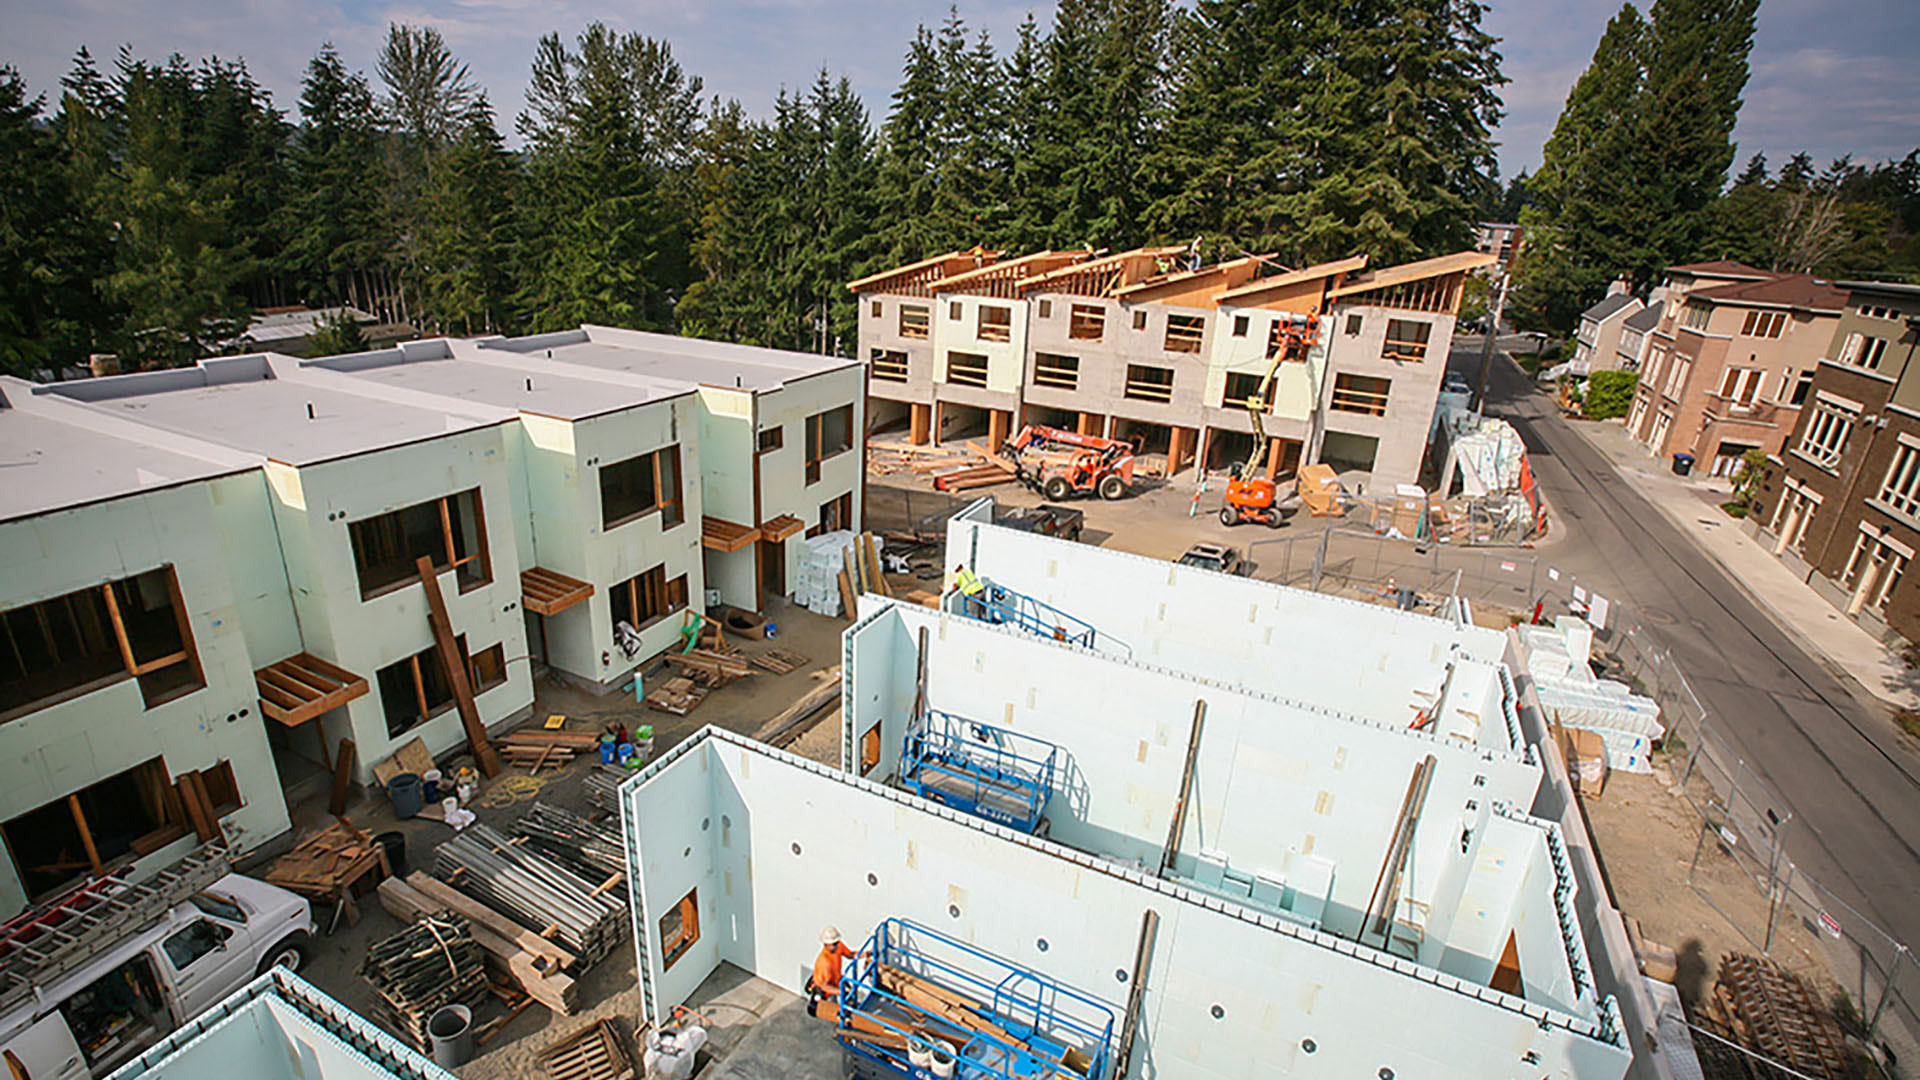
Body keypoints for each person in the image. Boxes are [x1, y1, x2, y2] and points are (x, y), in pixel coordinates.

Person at [805, 926, 855, 1018]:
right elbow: (825, 986)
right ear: (826, 944)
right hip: (826, 989)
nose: (837, 945)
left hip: (836, 980)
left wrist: (866, 953)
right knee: (827, 1011)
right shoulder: (824, 962)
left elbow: (850, 955)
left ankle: (848, 1014)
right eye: (834, 944)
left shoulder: (839, 946)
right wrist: (841, 991)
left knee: (851, 996)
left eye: (837, 943)